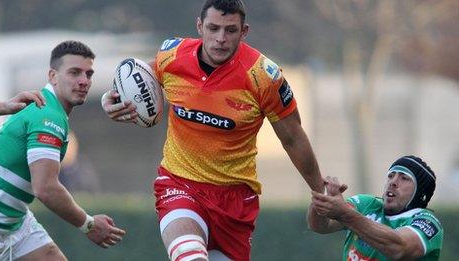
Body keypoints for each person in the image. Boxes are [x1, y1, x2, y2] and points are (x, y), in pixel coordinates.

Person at [102, 0, 324, 260]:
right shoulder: (171, 57)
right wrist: (112, 98)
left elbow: (293, 138)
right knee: (189, 256)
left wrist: (320, 192)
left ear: (244, 32)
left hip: (235, 200)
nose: (220, 38)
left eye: (230, 30)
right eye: (213, 28)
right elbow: (136, 82)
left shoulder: (264, 78)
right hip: (179, 184)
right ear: (200, 26)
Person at [0, 40, 125, 261]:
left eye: (89, 74)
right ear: (53, 76)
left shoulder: (49, 110)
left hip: (14, 224)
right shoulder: (49, 116)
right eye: (74, 73)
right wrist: (88, 224)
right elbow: (45, 188)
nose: (84, 81)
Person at [308, 155, 443, 260]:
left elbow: (398, 249)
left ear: (420, 193)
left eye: (404, 178)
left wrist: (345, 214)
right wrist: (321, 197)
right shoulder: (366, 204)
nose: (393, 182)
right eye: (391, 175)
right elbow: (320, 226)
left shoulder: (428, 222)